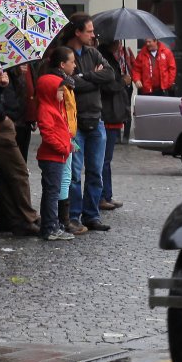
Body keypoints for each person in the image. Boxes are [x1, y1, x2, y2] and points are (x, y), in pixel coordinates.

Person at [64, 13, 116, 232]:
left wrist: (84, 77)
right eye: (89, 31)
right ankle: (73, 216)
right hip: (75, 122)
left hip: (96, 119)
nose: (93, 35)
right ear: (77, 32)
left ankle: (91, 215)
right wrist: (92, 78)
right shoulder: (64, 54)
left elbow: (110, 75)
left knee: (95, 171)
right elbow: (69, 83)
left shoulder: (93, 52)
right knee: (75, 174)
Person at [0, 62, 39, 236]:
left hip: (19, 121)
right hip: (7, 123)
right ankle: (25, 218)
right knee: (17, 172)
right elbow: (1, 97)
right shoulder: (2, 66)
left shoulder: (21, 66)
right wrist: (5, 117)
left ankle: (11, 219)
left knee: (10, 174)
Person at [34, 46, 76, 240]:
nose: (62, 94)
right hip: (53, 156)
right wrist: (63, 147)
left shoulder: (54, 107)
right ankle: (50, 227)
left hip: (57, 155)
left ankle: (51, 225)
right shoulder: (47, 109)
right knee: (52, 192)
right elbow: (48, 133)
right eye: (59, 91)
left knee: (53, 191)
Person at [97, 35, 132, 214]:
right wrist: (122, 81)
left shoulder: (110, 58)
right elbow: (108, 86)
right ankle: (102, 196)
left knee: (107, 159)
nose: (119, 45)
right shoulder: (103, 59)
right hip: (108, 113)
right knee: (104, 159)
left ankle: (107, 194)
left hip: (112, 113)